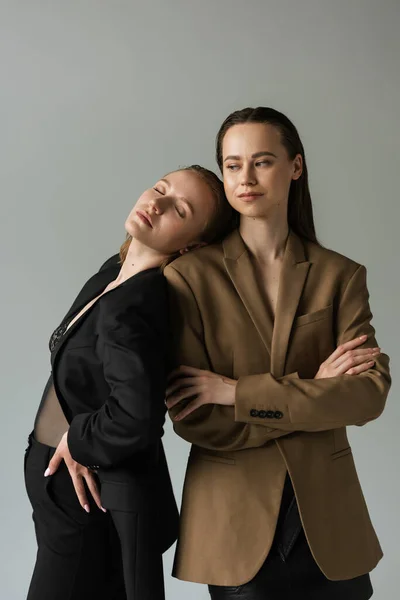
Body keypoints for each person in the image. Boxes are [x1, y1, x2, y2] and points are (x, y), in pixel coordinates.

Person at [165, 108, 391, 600]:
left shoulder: (340, 276)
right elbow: (196, 419)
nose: (245, 178)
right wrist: (315, 393)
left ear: (295, 166)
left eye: (262, 161)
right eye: (232, 164)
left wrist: (236, 392)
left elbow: (368, 396)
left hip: (331, 526)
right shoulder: (188, 278)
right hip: (232, 526)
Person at [24, 164, 234, 600]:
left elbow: (137, 417)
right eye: (160, 189)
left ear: (192, 244)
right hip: (64, 497)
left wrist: (78, 442)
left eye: (178, 209)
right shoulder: (113, 272)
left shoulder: (137, 302)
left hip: (84, 501)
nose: (155, 203)